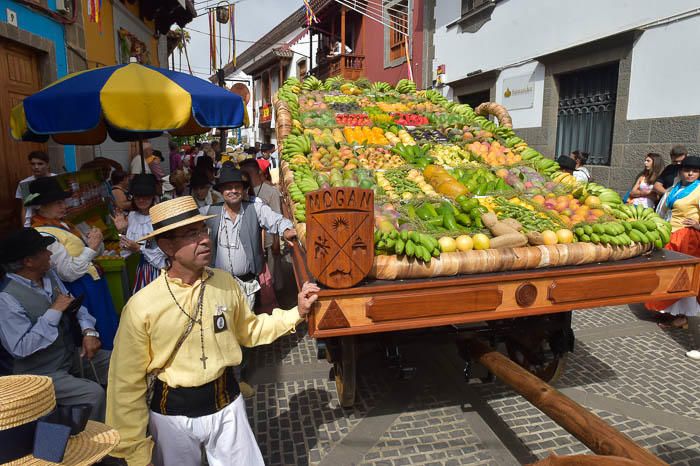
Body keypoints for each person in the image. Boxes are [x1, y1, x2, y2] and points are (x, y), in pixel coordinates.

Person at [105, 196, 319, 465]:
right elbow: (125, 381)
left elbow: (250, 330)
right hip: (172, 419)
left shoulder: (225, 283)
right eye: (190, 235)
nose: (204, 239)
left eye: (203, 230)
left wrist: (296, 312)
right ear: (167, 245)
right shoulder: (141, 306)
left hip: (227, 406)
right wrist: (133, 450)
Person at [0, 228, 110, 421]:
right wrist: (54, 312)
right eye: (44, 251)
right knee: (93, 394)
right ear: (28, 261)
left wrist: (89, 332)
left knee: (121, 363)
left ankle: (126, 428)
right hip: (39, 373)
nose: (50, 253)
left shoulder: (48, 275)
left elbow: (75, 305)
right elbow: (20, 347)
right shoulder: (6, 298)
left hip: (68, 356)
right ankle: (93, 444)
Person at [27, 177, 119, 350]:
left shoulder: (64, 224)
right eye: (57, 202)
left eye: (63, 201)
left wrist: (95, 242)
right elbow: (66, 272)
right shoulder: (42, 233)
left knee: (108, 325)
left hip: (92, 284)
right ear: (41, 205)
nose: (64, 206)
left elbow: (89, 253)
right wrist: (91, 247)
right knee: (97, 331)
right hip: (79, 288)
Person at [204, 163, 297, 310]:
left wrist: (285, 230)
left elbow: (275, 219)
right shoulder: (210, 211)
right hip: (219, 286)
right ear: (221, 191)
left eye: (237, 187)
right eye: (228, 187)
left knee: (245, 325)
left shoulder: (254, 207)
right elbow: (187, 218)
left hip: (247, 284)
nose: (233, 191)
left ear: (243, 189)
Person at [646, 156, 700, 331]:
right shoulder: (675, 188)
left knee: (686, 278)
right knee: (670, 276)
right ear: (681, 171)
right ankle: (675, 312)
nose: (691, 173)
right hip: (671, 236)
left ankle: (687, 316)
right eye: (687, 170)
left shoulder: (699, 190)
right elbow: (664, 209)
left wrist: (698, 225)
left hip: (688, 239)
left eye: (695, 171)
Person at [114, 174, 167, 293]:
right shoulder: (132, 216)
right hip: (139, 269)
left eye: (146, 197)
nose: (141, 200)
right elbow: (124, 248)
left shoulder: (160, 217)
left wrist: (139, 248)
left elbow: (164, 249)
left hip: (160, 269)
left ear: (153, 197)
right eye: (138, 197)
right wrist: (121, 231)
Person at [16, 150, 56, 227]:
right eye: (33, 164)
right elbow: (25, 209)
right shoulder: (25, 184)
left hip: (56, 222)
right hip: (34, 224)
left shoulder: (57, 179)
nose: (36, 167)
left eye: (40, 164)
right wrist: (26, 229)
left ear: (47, 165)